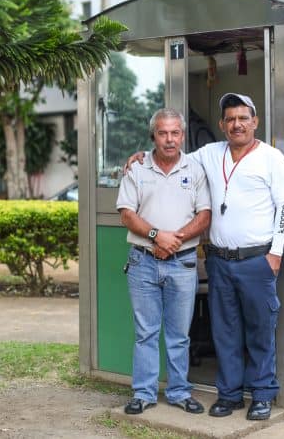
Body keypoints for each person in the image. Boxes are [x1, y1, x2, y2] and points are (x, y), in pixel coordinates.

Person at [125, 94, 284, 421]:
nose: (237, 124)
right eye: (230, 119)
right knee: (225, 331)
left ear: (255, 122)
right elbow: (171, 154)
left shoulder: (272, 158)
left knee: (260, 331)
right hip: (219, 262)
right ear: (222, 125)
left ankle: (262, 395)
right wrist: (141, 156)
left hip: (257, 260)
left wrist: (275, 253)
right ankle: (229, 395)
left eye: (243, 118)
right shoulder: (209, 153)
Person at [116, 108, 212, 416]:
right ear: (153, 136)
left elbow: (205, 215)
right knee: (145, 332)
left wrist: (175, 240)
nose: (169, 139)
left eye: (174, 133)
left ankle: (179, 392)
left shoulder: (195, 169)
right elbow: (127, 214)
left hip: (182, 263)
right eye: (162, 133)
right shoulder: (137, 168)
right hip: (142, 262)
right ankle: (143, 394)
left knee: (179, 335)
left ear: (182, 135)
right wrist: (158, 236)